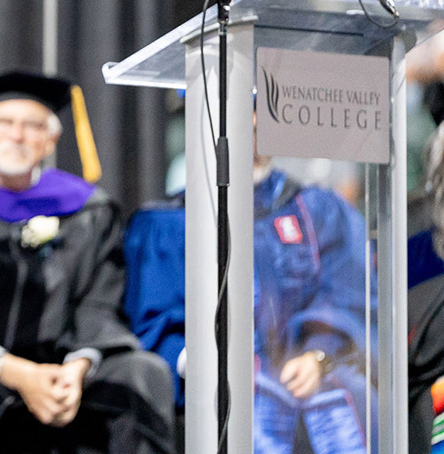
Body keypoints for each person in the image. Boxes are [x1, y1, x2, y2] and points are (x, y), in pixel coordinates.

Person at [0, 71, 174, 454]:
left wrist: (77, 368)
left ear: (51, 139)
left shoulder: (88, 209)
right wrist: (16, 372)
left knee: (144, 371)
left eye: (32, 125)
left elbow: (100, 306)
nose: (17, 135)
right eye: (3, 123)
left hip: (64, 373)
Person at [125, 148, 375, 454]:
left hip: (308, 383)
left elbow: (345, 296)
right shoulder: (168, 223)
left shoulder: (315, 209)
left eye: (261, 127)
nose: (254, 141)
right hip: (214, 395)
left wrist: (317, 356)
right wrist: (206, 365)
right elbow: (153, 326)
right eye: (246, 122)